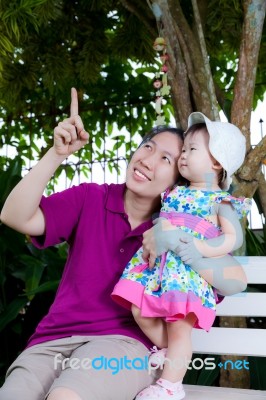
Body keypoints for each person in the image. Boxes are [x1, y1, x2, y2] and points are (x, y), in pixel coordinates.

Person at [0, 87, 246, 400]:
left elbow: (235, 281)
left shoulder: (178, 222)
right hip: (51, 343)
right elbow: (15, 216)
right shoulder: (90, 198)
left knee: (65, 397)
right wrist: (57, 154)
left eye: (166, 158)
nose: (147, 160)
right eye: (147, 146)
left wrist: (173, 239)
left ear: (179, 177)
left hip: (123, 346)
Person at [111, 112, 251, 400]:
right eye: (183, 149)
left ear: (216, 162)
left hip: (186, 275)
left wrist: (201, 249)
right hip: (158, 270)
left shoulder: (219, 200)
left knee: (178, 328)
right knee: (138, 309)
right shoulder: (174, 192)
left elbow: (232, 238)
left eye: (192, 149)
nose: (183, 156)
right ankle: (172, 354)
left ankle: (171, 386)